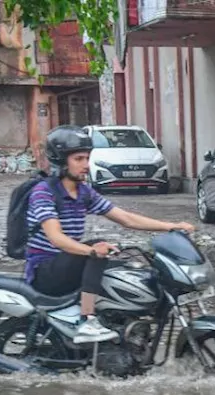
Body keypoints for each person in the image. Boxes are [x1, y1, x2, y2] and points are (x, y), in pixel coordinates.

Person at [26, 125, 194, 344]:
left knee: (126, 270)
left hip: (67, 265)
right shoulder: (43, 192)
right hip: (45, 271)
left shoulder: (83, 192)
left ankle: (125, 330)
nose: (86, 165)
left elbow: (125, 218)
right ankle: (87, 321)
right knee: (98, 248)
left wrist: (171, 226)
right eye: (79, 159)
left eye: (88, 158)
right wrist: (92, 250)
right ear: (61, 161)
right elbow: (55, 238)